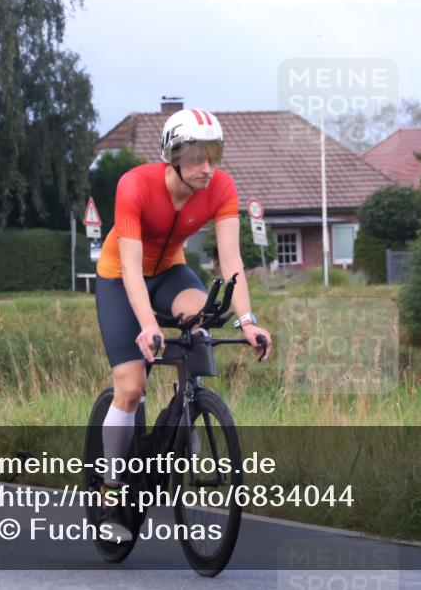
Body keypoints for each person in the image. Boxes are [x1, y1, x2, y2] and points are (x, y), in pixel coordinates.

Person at [93, 108, 272, 541]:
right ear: (172, 156)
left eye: (213, 156)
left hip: (171, 272)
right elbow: (133, 270)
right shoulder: (135, 185)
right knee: (132, 386)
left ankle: (184, 412)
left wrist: (248, 322)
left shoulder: (221, 187)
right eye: (196, 157)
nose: (207, 168)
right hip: (121, 277)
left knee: (205, 317)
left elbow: (231, 263)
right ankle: (112, 489)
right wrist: (147, 326)